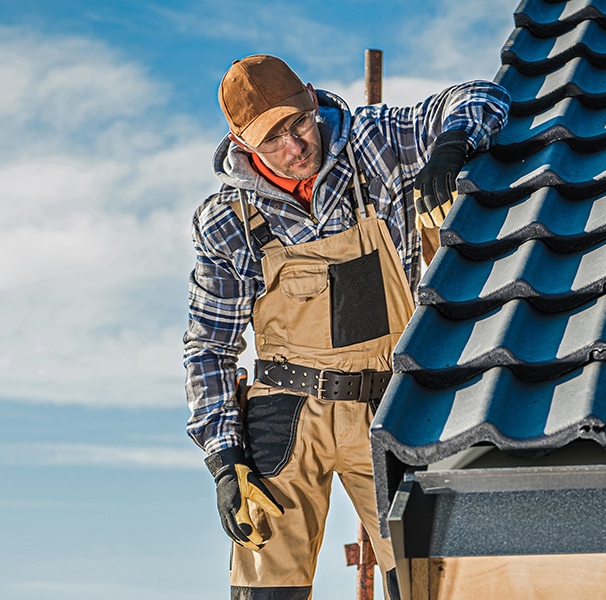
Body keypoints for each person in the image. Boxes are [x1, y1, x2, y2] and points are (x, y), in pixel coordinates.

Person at [182, 54, 510, 600]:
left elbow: (480, 96)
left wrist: (452, 148)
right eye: (273, 141)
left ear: (313, 99)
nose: (295, 148)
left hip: (385, 403)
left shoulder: (375, 144)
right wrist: (223, 459)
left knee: (422, 577)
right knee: (266, 585)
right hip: (283, 415)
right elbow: (208, 346)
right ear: (241, 143)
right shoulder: (225, 221)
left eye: (299, 124)